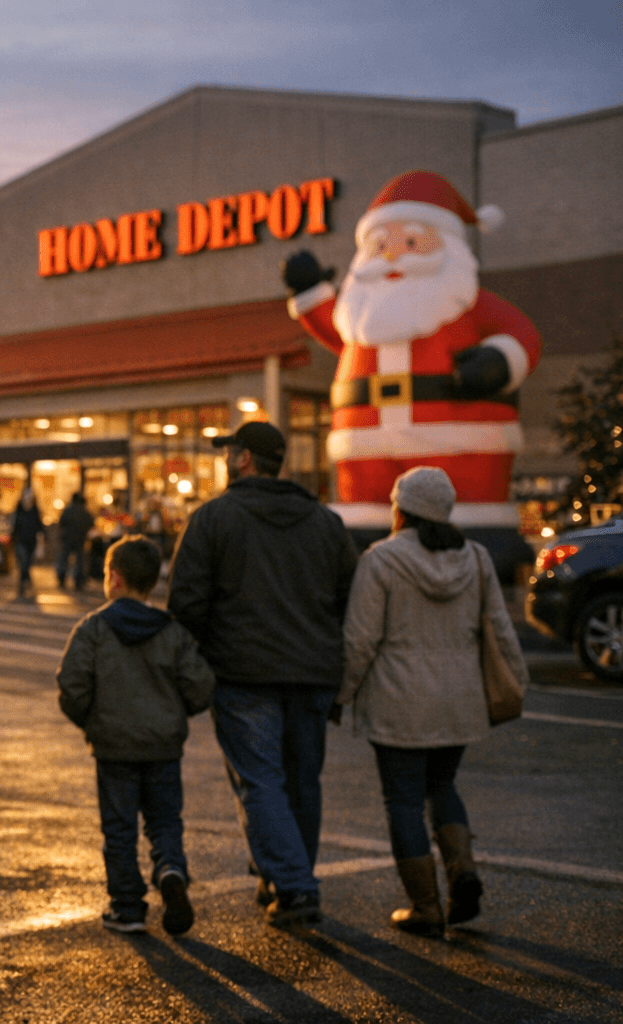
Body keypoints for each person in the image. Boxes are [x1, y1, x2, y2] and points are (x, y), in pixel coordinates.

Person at [168, 421, 358, 927]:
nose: (228, 457)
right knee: (302, 781)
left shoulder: (213, 520)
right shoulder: (325, 523)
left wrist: (196, 662)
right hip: (313, 672)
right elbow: (348, 598)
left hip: (243, 671)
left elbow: (186, 601)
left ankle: (293, 886)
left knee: (261, 781)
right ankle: (286, 872)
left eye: (231, 450)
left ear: (245, 459)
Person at [283, 169, 542, 531]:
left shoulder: (466, 304)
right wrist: (310, 292)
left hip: (459, 445)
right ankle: (362, 532)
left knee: (462, 512)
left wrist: (501, 359)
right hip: (365, 450)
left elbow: (521, 332)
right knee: (365, 519)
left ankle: (477, 535)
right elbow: (340, 327)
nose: (392, 256)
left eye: (410, 242)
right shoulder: (362, 314)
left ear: (449, 247)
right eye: (380, 245)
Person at [336, 466, 527, 936]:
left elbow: (360, 641)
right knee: (442, 786)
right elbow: (500, 629)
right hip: (460, 699)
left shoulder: (379, 560)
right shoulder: (476, 558)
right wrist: (517, 682)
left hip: (399, 701)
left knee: (402, 800)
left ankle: (425, 906)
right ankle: (462, 872)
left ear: (401, 509)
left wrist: (340, 694)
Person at [57, 537, 215, 935]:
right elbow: (199, 686)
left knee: (119, 827)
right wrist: (173, 714)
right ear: (152, 583)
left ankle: (127, 905)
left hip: (113, 748)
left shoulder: (93, 629)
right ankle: (170, 870)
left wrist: (93, 722)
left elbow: (72, 687)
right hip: (163, 746)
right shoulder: (172, 631)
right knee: (164, 821)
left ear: (114, 578)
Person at [10, 488, 46, 600]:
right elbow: (15, 526)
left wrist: (43, 538)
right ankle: (25, 585)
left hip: (31, 542)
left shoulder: (35, 511)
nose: (27, 501)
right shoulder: (19, 511)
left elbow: (39, 526)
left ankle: (23, 585)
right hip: (20, 541)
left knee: (26, 565)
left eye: (29, 499)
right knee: (24, 563)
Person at [56, 492, 95, 591]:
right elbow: (91, 523)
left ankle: (61, 578)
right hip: (80, 539)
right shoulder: (84, 511)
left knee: (64, 559)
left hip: (67, 538)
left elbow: (61, 522)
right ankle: (78, 580)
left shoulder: (68, 510)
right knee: (79, 561)